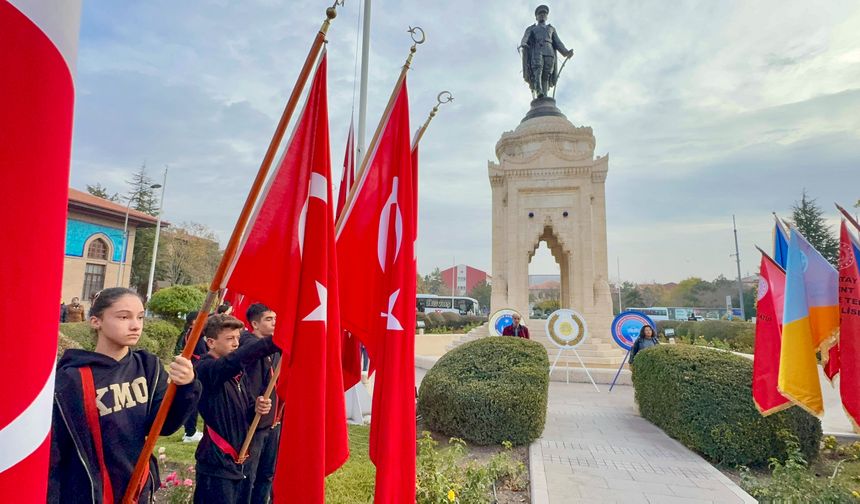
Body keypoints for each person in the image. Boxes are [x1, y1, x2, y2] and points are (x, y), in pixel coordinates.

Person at [49, 287, 201, 503]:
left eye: (140, 317)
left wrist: (187, 387)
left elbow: (164, 426)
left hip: (138, 488)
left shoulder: (149, 367)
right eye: (123, 317)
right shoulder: (71, 379)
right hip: (88, 493)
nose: (135, 325)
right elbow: (56, 453)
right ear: (96, 321)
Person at [193, 314, 280, 504]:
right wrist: (276, 340)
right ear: (211, 342)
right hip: (216, 463)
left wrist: (257, 407)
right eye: (229, 339)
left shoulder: (238, 374)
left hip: (239, 461)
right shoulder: (206, 368)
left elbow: (246, 410)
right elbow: (234, 361)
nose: (236, 343)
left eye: (238, 338)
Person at [238, 303, 280, 504]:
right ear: (254, 323)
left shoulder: (274, 349)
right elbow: (250, 388)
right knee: (249, 476)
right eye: (268, 319)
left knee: (267, 475)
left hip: (272, 422)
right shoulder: (250, 350)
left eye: (275, 318)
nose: (274, 323)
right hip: (254, 424)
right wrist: (254, 408)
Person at [520, 5, 573, 98]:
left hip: (549, 51)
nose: (542, 15)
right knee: (538, 69)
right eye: (540, 14)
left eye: (544, 13)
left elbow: (557, 42)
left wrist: (566, 52)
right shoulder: (532, 28)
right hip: (537, 49)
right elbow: (525, 37)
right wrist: (524, 43)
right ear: (536, 17)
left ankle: (544, 95)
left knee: (546, 73)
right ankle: (539, 91)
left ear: (547, 16)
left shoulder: (551, 28)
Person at [175, 310, 207, 442]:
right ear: (194, 321)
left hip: (195, 368)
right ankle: (190, 432)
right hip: (194, 369)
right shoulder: (193, 333)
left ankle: (190, 430)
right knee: (193, 401)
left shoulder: (192, 332)